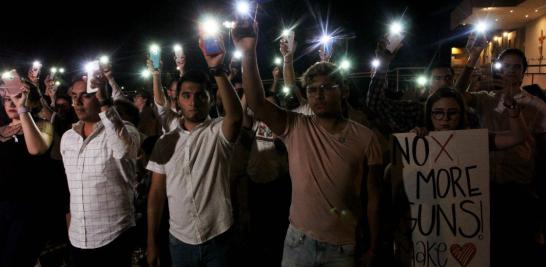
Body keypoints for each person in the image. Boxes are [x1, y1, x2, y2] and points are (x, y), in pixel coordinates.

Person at [234, 22, 383, 266]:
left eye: (326, 88)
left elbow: (375, 199)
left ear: (344, 91)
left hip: (342, 248)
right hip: (298, 242)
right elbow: (256, 102)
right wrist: (249, 52)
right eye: (312, 90)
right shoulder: (296, 126)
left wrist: (374, 248)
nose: (318, 95)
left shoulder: (367, 139)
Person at [389, 87, 528, 266]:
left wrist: (514, 114)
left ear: (461, 114)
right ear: (429, 114)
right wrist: (409, 146)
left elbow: (517, 137)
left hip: (464, 228)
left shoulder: (474, 140)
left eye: (452, 113)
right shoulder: (418, 141)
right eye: (438, 113)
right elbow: (395, 179)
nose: (445, 119)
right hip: (427, 231)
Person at [146, 33, 243, 267]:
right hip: (180, 241)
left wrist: (217, 69)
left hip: (219, 237)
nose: (193, 102)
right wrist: (151, 241)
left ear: (210, 100)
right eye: (186, 96)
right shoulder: (165, 141)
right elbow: (157, 194)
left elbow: (236, 116)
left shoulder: (218, 132)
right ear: (177, 100)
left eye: (200, 96)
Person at [454, 47, 546, 266]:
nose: (511, 71)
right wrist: (472, 60)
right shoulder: (485, 99)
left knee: (518, 249)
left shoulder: (538, 105)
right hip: (486, 185)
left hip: (520, 186)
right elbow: (456, 96)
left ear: (524, 72)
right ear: (499, 70)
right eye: (506, 66)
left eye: (517, 67)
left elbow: (542, 150)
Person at [60, 74, 140, 266]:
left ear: (101, 97)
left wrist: (105, 102)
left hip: (114, 235)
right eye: (74, 95)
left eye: (86, 95)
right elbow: (74, 190)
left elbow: (123, 149)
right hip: (78, 238)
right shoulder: (67, 138)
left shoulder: (126, 131)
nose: (77, 101)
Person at [0, 74, 54, 267]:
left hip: (27, 208)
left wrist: (22, 109)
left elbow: (36, 149)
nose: (11, 103)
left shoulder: (43, 126)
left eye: (17, 97)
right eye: (7, 99)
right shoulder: (2, 130)